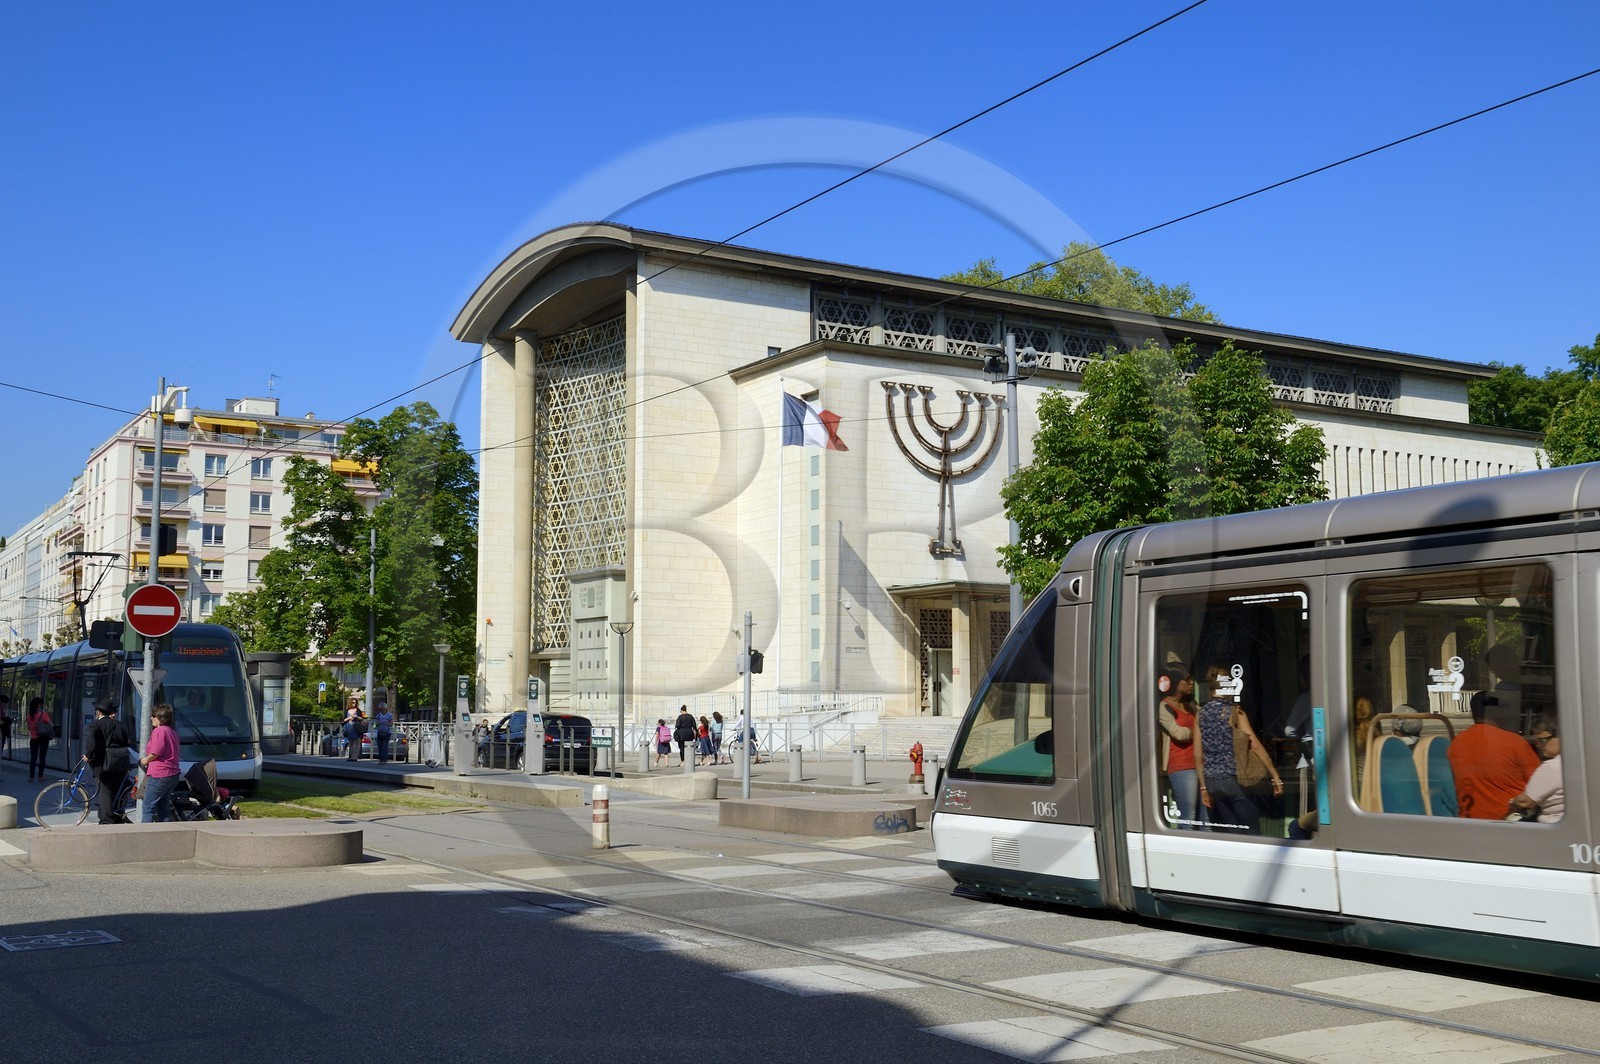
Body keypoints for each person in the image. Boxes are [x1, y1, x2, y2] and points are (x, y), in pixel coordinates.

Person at [1195, 664, 1282, 835]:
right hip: (1234, 779)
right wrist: (1275, 775)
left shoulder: (1200, 714)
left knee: (1232, 831)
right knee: (1252, 831)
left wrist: (1204, 788)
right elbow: (1254, 744)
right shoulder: (1235, 712)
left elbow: (1198, 755)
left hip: (1212, 781)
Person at [1449, 690, 1540, 819]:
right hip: (1511, 821)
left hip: (1470, 820)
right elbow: (1539, 785)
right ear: (1493, 712)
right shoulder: (1515, 742)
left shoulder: (1455, 744)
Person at [1156, 665, 1201, 829]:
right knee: (1188, 816)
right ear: (1176, 682)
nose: (1191, 683)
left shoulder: (1191, 704)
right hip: (1182, 767)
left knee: (1205, 820)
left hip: (1200, 764)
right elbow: (1179, 733)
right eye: (1187, 680)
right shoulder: (1164, 706)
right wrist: (1198, 731)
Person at [84, 697, 133, 824]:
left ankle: (106, 819)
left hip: (103, 764)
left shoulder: (96, 725)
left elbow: (91, 744)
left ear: (99, 712)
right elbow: (127, 741)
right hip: (120, 763)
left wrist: (88, 755)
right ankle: (117, 815)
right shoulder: (119, 724)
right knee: (118, 789)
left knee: (104, 791)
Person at [1510, 715, 1562, 823]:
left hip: (1550, 828)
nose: (1538, 745)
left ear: (1559, 738)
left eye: (1542, 740)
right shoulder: (1577, 764)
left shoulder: (1552, 767)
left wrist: (1512, 803)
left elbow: (1524, 802)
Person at [139, 704, 182, 822]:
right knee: (163, 808)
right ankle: (166, 834)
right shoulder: (172, 732)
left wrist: (144, 760)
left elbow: (155, 752)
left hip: (160, 774)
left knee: (148, 807)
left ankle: (145, 835)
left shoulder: (159, 731)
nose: (151, 718)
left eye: (153, 716)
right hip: (173, 774)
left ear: (160, 718)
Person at [26, 696, 53, 782]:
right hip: (43, 738)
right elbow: (51, 725)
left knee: (33, 758)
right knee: (42, 757)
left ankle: (31, 777)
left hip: (33, 738)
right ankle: (40, 777)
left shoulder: (30, 715)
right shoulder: (43, 715)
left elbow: (29, 727)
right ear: (39, 705)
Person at [0, 692, 11, 760]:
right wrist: (6, 721)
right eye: (4, 703)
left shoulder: (2, 710)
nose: (4, 705)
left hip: (2, 733)